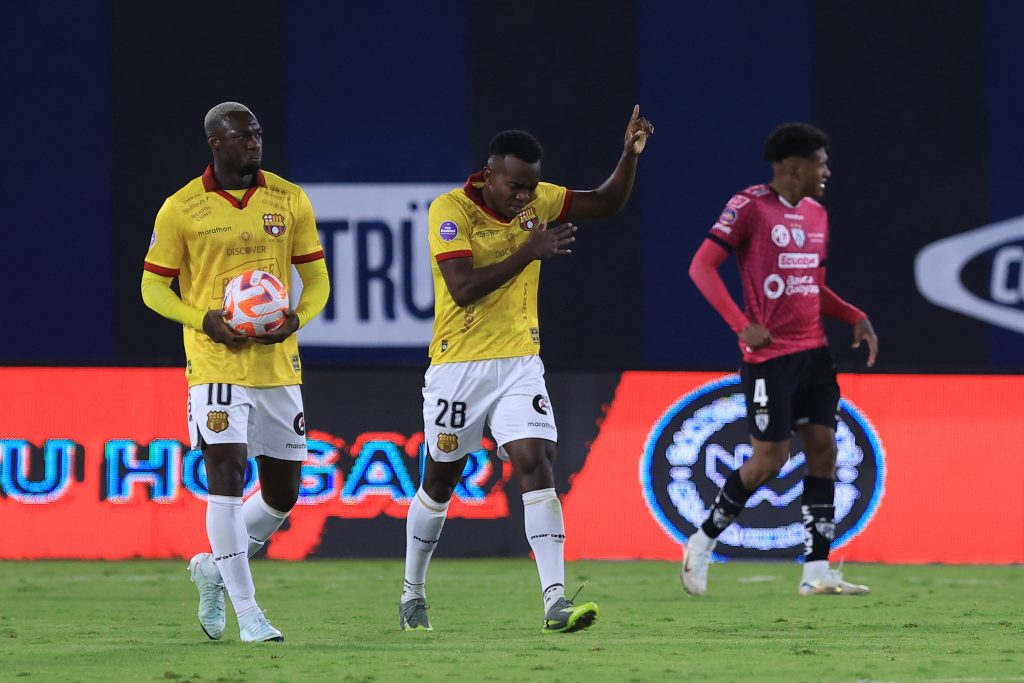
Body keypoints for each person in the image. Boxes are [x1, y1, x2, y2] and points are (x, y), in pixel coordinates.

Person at [399, 106, 654, 633]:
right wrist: (528, 250)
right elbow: (463, 287)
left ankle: (555, 601)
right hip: (458, 367)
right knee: (440, 481)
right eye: (514, 187)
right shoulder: (450, 211)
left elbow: (605, 201)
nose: (523, 198)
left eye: (530, 188)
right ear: (489, 174)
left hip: (520, 363)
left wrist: (627, 156)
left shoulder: (538, 199)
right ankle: (413, 591)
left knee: (537, 462)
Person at [141, 102, 330, 642]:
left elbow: (317, 280)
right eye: (242, 136)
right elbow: (152, 287)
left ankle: (211, 568)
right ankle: (248, 614)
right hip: (216, 362)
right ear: (215, 143)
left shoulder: (289, 199)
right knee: (225, 478)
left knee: (282, 495)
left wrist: (296, 318)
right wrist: (201, 320)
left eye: (258, 134)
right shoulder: (182, 208)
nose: (254, 142)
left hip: (277, 366)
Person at [684, 122, 878, 597]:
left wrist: (853, 314)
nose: (827, 170)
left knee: (824, 451)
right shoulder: (749, 206)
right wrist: (739, 323)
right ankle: (703, 540)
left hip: (814, 353)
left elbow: (812, 286)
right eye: (821, 162)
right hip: (769, 358)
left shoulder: (817, 213)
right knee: (770, 459)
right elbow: (701, 266)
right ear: (793, 167)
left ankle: (815, 573)